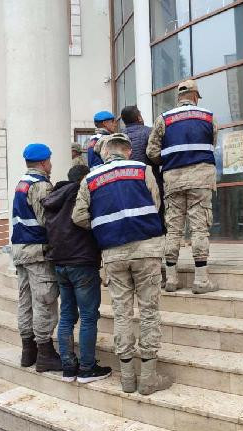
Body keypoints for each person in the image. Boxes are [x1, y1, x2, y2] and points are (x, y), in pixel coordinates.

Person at [72, 133, 172, 396]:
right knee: (149, 311)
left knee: (122, 313)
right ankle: (148, 378)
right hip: (147, 248)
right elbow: (156, 203)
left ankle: (127, 378)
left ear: (105, 153)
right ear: (128, 151)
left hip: (113, 253)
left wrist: (104, 226)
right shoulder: (142, 170)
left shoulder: (90, 179)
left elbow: (79, 216)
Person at [146, 79, 218, 295]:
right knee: (199, 228)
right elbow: (212, 144)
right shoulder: (208, 116)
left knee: (173, 230)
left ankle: (171, 279)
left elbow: (151, 151)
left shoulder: (164, 119)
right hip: (201, 178)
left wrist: (170, 160)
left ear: (178, 97)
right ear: (195, 96)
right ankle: (201, 280)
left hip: (173, 180)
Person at [41, 165, 111, 384]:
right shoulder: (81, 193)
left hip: (60, 264)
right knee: (88, 316)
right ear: (84, 178)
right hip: (82, 262)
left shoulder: (54, 197)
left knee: (67, 316)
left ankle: (68, 367)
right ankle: (87, 368)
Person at [11, 143, 61, 372]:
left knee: (26, 301)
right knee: (44, 301)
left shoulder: (22, 183)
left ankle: (27, 350)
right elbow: (47, 220)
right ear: (43, 162)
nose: (51, 164)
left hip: (21, 250)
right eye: (49, 160)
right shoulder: (40, 185)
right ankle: (45, 352)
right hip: (37, 251)